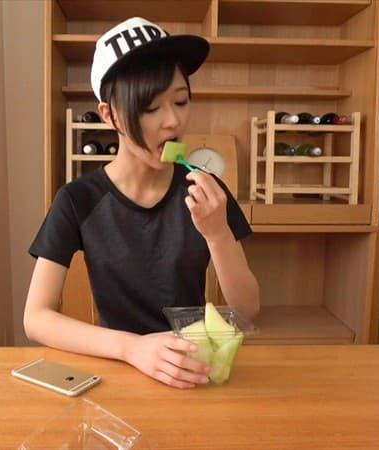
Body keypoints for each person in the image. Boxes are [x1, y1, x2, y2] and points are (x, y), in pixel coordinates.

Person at [24, 17, 259, 389]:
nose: (173, 121)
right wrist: (132, 348)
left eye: (180, 101)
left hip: (191, 368)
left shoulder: (205, 190)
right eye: (150, 108)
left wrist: (218, 235)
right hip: (115, 370)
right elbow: (36, 318)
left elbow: (247, 309)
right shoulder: (78, 199)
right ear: (110, 115)